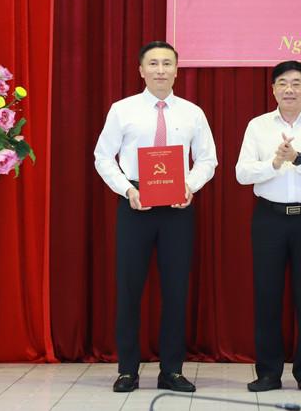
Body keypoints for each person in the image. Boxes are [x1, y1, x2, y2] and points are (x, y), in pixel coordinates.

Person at [94, 41, 218, 393]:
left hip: (178, 208)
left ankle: (172, 370)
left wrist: (190, 185)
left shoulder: (192, 113)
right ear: (141, 70)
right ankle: (127, 370)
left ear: (177, 70)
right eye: (153, 63)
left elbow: (208, 159)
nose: (160, 70)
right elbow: (103, 156)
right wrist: (127, 190)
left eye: (167, 63)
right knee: (129, 289)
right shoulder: (122, 110)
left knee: (176, 290)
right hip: (135, 204)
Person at [236, 60, 301, 394]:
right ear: (273, 89)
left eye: (296, 83)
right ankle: (268, 373)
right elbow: (242, 173)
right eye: (282, 83)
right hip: (269, 220)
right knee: (267, 297)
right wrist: (274, 163)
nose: (289, 90)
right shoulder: (257, 126)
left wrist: (298, 159)